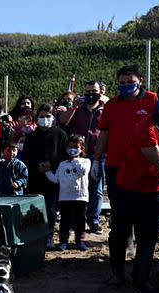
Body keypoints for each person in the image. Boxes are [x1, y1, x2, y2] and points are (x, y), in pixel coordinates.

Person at [108, 81, 159, 293]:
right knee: (120, 231)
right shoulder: (145, 127)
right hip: (130, 188)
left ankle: (141, 278)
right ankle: (117, 274)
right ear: (157, 101)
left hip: (156, 189)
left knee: (149, 235)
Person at [94, 64, 158, 208]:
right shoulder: (111, 105)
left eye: (130, 82)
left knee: (144, 214)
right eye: (122, 83)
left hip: (144, 166)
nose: (126, 85)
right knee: (120, 215)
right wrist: (97, 161)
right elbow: (104, 134)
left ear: (140, 81)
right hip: (116, 166)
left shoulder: (153, 100)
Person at [59, 80, 105, 233]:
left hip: (98, 153)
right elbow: (63, 120)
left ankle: (94, 220)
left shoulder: (105, 108)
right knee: (75, 188)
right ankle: (75, 220)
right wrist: (74, 106)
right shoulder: (79, 108)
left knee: (96, 188)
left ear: (101, 92)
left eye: (94, 91)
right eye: (88, 92)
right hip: (78, 154)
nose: (91, 94)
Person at [21, 103, 68, 249]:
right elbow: (26, 156)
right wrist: (37, 165)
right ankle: (34, 237)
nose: (45, 119)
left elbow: (63, 154)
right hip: (35, 177)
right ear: (36, 118)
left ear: (53, 118)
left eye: (48, 116)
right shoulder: (31, 136)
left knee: (51, 209)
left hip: (52, 178)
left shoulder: (61, 134)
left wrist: (51, 164)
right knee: (32, 208)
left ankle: (48, 236)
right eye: (41, 117)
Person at [46, 135, 91, 251]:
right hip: (65, 197)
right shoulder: (62, 164)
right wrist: (47, 171)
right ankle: (63, 241)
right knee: (64, 221)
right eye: (70, 147)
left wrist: (75, 160)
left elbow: (83, 171)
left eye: (76, 147)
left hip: (80, 197)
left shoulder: (85, 161)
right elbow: (56, 179)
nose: (72, 149)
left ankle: (80, 241)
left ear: (82, 148)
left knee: (80, 220)